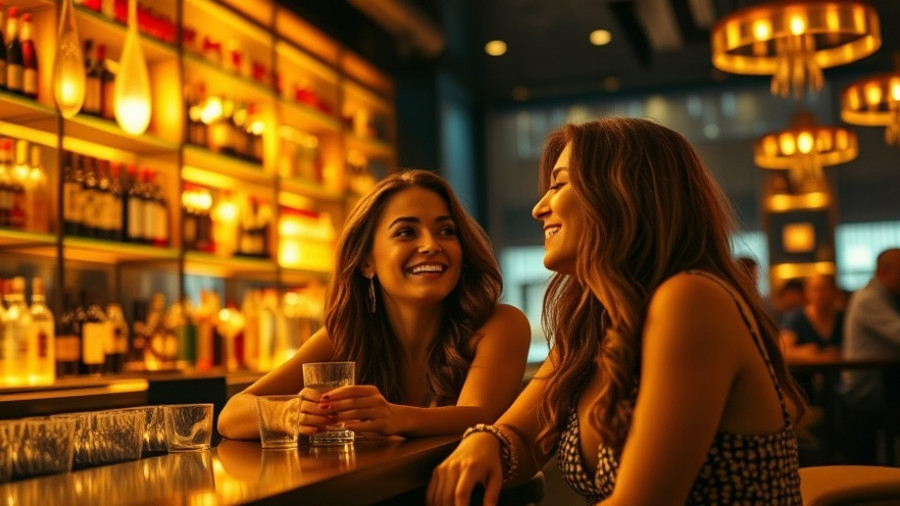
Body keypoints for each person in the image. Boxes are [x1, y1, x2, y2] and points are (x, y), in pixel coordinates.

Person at [427, 118, 805, 505]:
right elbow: (522, 438)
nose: (539, 209)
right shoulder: (593, 323)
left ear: (621, 192)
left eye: (558, 184)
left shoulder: (691, 299)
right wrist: (489, 441)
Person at [217, 169, 531, 440]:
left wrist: (395, 417)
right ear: (367, 262)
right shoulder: (346, 336)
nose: (431, 245)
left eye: (446, 231)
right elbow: (230, 415)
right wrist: (288, 414)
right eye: (406, 232)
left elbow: (479, 417)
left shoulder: (500, 324)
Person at [840, 247, 900, 464]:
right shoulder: (869, 299)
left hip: (882, 387)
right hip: (866, 391)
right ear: (883, 272)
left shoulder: (886, 297)